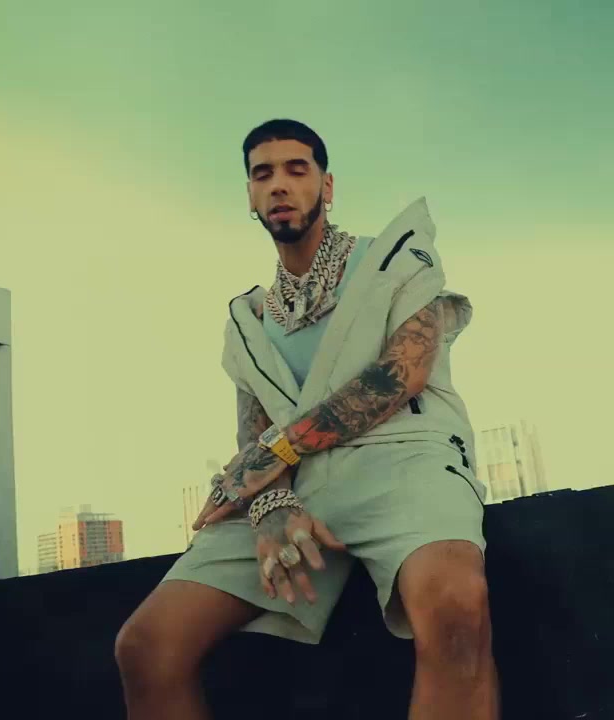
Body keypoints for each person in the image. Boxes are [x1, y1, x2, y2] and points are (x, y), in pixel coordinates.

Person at [114, 119, 499, 719]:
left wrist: (272, 457)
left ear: (327, 185)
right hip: (294, 488)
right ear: (249, 194)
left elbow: (400, 375)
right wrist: (269, 504)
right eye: (263, 174)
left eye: (297, 169)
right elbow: (254, 428)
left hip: (407, 463)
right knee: (146, 646)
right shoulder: (246, 319)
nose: (280, 185)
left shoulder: (397, 258)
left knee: (456, 608)